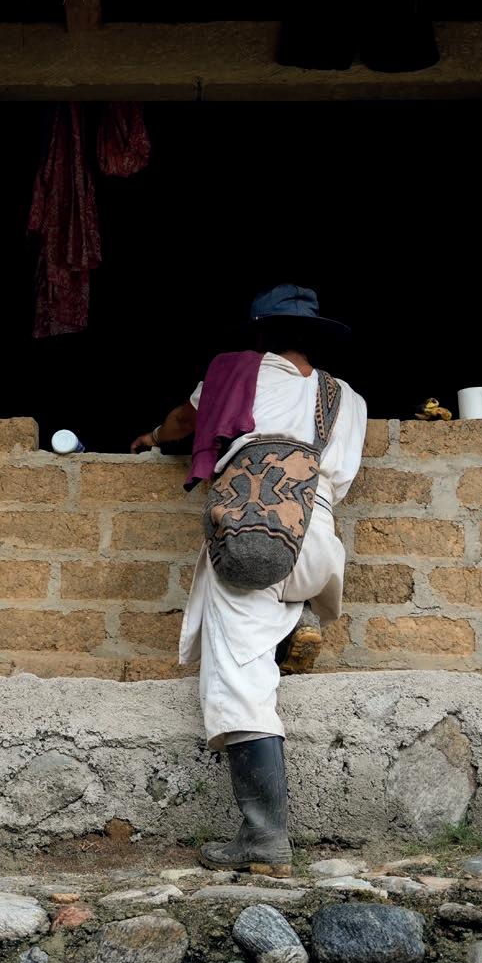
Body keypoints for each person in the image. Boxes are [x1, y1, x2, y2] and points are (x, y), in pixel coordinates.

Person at [131, 285, 367, 876]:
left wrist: (153, 437)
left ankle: (263, 838)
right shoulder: (347, 398)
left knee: (238, 676)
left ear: (259, 333)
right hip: (316, 538)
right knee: (267, 618)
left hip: (254, 538)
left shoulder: (234, 373)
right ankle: (296, 622)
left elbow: (185, 422)